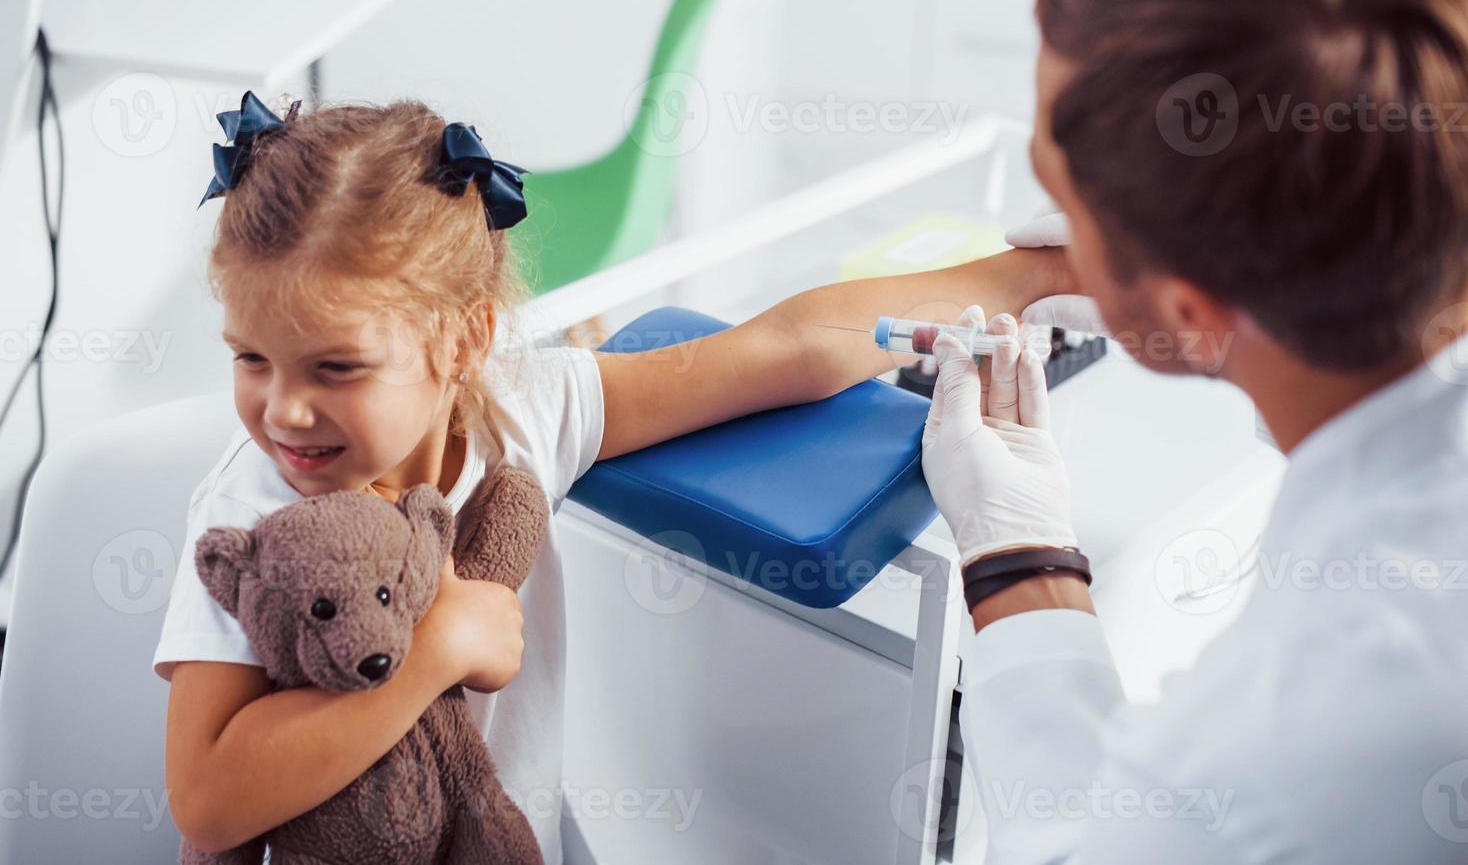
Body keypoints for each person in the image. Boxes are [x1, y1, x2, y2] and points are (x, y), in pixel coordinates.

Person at [152, 92, 1068, 860]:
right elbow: (207, 795)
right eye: (251, 360)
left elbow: (779, 348)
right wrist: (430, 652)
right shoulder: (255, 505)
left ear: (464, 339)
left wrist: (1035, 272)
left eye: (335, 368)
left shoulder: (528, 411)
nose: (283, 411)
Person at [921, 0, 1468, 860]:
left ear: (1187, 309)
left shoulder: (1304, 721)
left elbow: (1082, 843)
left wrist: (1019, 556)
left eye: (1059, 191)